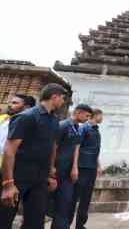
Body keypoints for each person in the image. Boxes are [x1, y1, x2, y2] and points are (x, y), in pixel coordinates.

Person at [0, 84, 67, 229]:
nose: (63, 102)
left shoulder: (54, 121)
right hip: (17, 176)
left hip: (39, 179)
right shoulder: (26, 117)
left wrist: (51, 174)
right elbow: (9, 151)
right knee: (4, 219)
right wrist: (8, 184)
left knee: (36, 222)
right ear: (54, 97)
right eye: (62, 98)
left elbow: (51, 148)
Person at [51, 104, 93, 229]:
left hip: (68, 173)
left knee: (66, 204)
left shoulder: (77, 128)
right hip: (57, 171)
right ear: (78, 112)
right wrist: (51, 168)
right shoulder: (63, 125)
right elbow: (54, 147)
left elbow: (76, 148)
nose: (87, 118)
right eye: (87, 115)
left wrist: (75, 167)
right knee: (53, 206)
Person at [70, 108, 103, 229]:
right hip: (82, 166)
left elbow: (95, 150)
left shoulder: (96, 130)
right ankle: (66, 223)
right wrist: (75, 166)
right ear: (96, 115)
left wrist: (98, 165)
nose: (102, 118)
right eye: (101, 115)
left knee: (86, 197)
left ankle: (80, 224)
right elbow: (77, 147)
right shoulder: (84, 128)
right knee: (75, 196)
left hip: (92, 168)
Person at [0, 95, 36, 165]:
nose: (9, 105)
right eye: (10, 102)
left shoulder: (29, 126)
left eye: (15, 103)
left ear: (27, 108)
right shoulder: (3, 118)